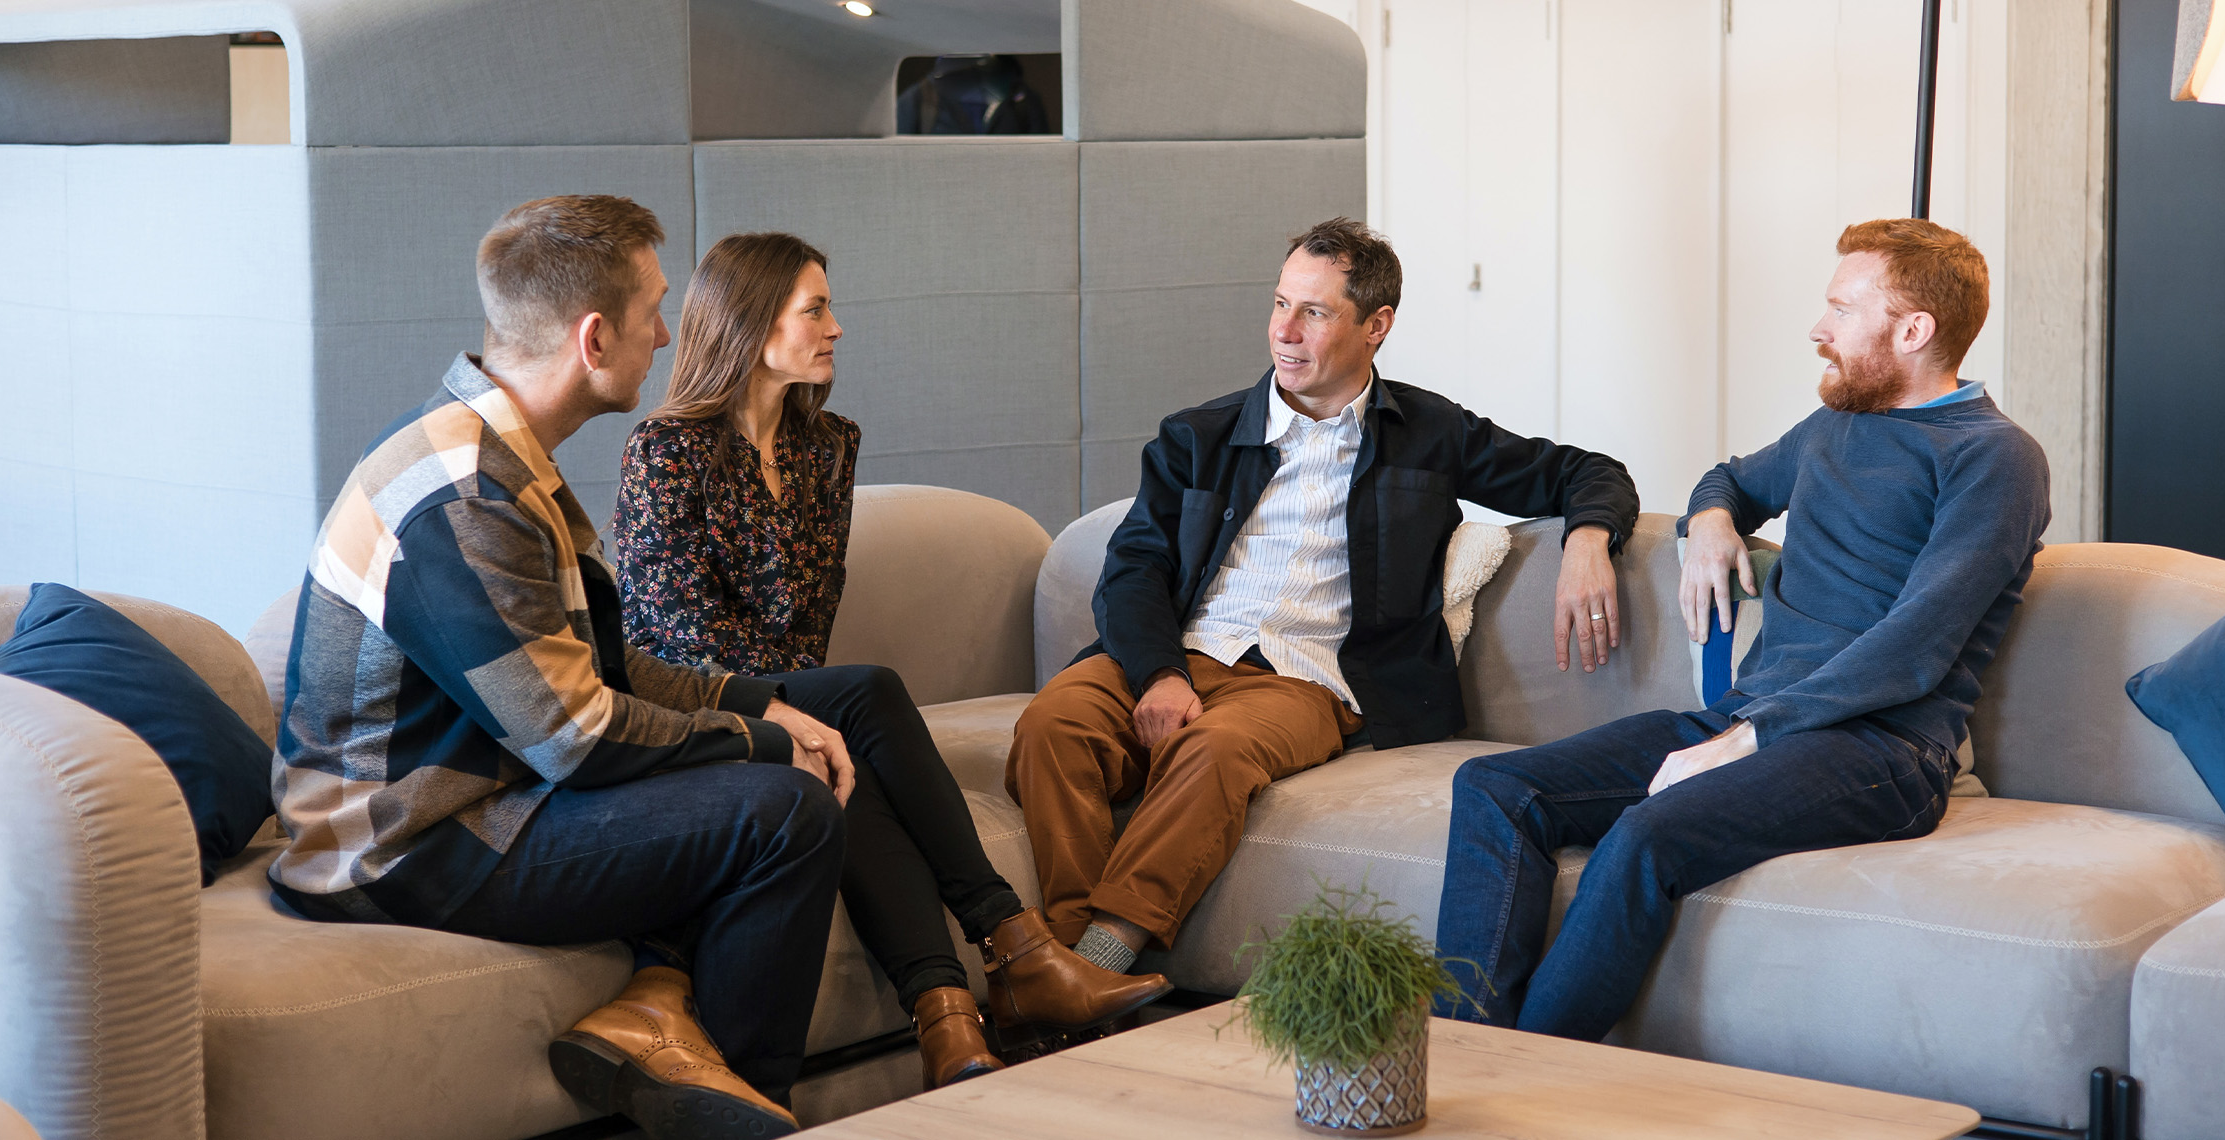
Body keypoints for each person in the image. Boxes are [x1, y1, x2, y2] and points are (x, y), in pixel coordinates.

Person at [272, 196, 844, 1140]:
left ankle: (670, 1022)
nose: (667, 335)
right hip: (399, 845)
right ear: (593, 337)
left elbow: (598, 669)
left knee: (786, 752)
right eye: (654, 311)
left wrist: (762, 712)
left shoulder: (498, 455)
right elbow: (576, 737)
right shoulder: (462, 496)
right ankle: (744, 1109)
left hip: (491, 796)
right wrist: (757, 738)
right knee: (783, 812)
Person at [1432, 218, 2052, 1043]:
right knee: (1496, 788)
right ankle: (1465, 1050)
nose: (1818, 329)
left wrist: (1747, 740)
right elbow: (1728, 477)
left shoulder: (1995, 458)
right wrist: (1713, 520)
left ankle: (1531, 1074)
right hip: (1750, 721)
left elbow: (1916, 646)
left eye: (1841, 308)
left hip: (1881, 750)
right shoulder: (1837, 425)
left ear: (1913, 330)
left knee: (1645, 835)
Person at [1006, 217, 1642, 974]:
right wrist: (1159, 674)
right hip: (1176, 652)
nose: (1286, 332)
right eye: (1280, 305)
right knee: (1052, 723)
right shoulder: (1197, 437)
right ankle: (1069, 972)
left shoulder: (1430, 433)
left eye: (1314, 313)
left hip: (1306, 680)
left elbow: (1588, 471)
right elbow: (1133, 569)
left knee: (1215, 751)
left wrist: (1589, 539)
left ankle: (1096, 963)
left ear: (1377, 326)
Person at [611, 231, 1170, 1085]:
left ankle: (949, 1021)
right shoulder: (666, 450)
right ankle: (1013, 946)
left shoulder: (826, 445)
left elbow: (808, 626)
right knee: (865, 697)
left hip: (791, 696)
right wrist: (790, 709)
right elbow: (680, 634)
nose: (836, 327)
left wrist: (804, 718)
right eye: (816, 309)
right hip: (688, 707)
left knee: (845, 772)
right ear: (755, 325)